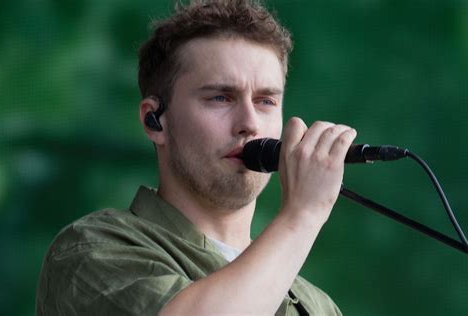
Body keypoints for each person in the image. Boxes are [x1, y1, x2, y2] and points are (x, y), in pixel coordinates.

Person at [36, 0, 356, 315]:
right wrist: (302, 215)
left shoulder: (318, 306)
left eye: (265, 101)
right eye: (220, 97)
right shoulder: (90, 250)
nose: (249, 123)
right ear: (155, 120)